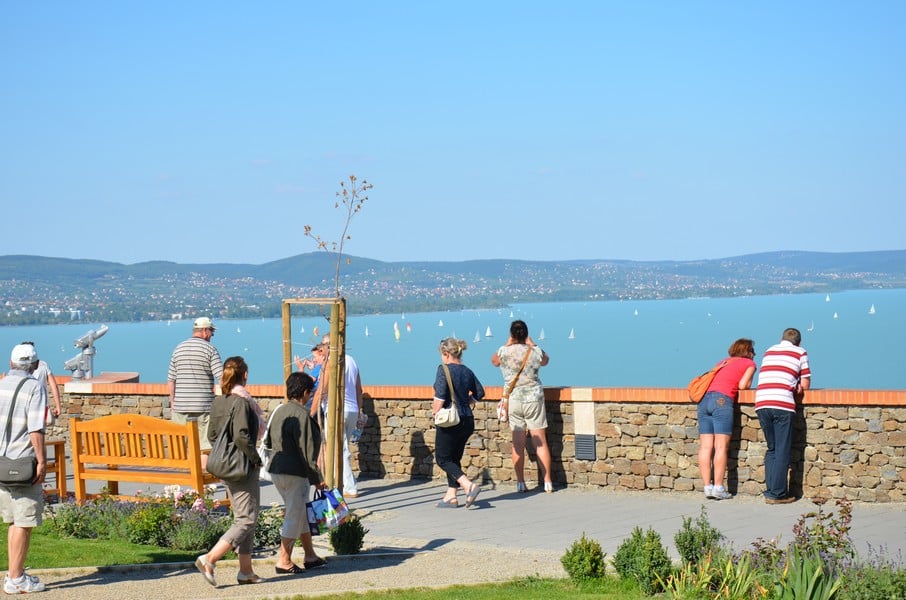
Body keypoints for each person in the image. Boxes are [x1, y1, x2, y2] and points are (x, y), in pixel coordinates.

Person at [195, 356, 263, 587]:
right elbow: (242, 436)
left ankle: (246, 571)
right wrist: (255, 459)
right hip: (241, 466)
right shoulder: (242, 402)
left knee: (244, 518)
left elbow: (214, 435)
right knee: (246, 519)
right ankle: (210, 559)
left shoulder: (219, 401)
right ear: (244, 375)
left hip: (225, 465)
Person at [267, 372, 327, 575]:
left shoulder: (279, 410)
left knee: (299, 512)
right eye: (310, 392)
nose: (311, 396)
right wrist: (318, 479)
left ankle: (310, 555)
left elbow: (268, 441)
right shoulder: (302, 416)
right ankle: (283, 559)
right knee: (294, 515)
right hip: (295, 472)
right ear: (304, 392)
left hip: (277, 470)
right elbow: (307, 453)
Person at [0, 344, 48, 594]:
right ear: (35, 365)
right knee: (24, 520)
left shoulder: (1, 384)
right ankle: (16, 579)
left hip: (1, 461)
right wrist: (42, 460)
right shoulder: (34, 387)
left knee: (13, 520)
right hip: (23, 463)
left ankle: (13, 573)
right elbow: (35, 428)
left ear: (10, 363)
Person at [491, 320, 554, 493]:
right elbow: (546, 360)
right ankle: (547, 481)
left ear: (512, 334)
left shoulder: (504, 351)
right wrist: (532, 343)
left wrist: (508, 342)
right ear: (526, 334)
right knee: (540, 441)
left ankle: (520, 482)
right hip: (534, 399)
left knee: (517, 444)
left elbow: (494, 361)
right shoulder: (534, 351)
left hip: (514, 400)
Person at [754, 328, 811, 505]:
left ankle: (770, 490)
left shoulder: (769, 350)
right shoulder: (800, 352)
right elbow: (806, 384)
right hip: (782, 404)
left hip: (762, 403)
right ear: (799, 342)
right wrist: (798, 386)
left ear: (781, 339)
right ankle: (778, 494)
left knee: (772, 449)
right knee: (782, 449)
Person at [697, 338, 757, 500]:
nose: (754, 355)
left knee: (705, 447)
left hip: (704, 400)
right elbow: (744, 385)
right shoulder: (749, 364)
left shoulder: (722, 362)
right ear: (748, 352)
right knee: (721, 447)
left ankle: (707, 487)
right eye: (753, 352)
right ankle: (718, 488)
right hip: (722, 401)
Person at [433, 337, 485, 509]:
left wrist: (435, 412)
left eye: (442, 354)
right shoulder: (467, 371)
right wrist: (466, 402)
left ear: (446, 354)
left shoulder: (443, 370)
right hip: (467, 420)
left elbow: (440, 396)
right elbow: (480, 393)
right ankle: (451, 496)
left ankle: (468, 485)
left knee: (442, 458)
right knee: (454, 458)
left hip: (451, 420)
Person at [310, 334, 364, 498]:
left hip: (337, 409)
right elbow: (358, 389)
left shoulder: (330, 362)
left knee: (339, 448)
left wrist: (310, 413)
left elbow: (322, 389)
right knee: (343, 447)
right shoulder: (351, 360)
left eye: (324, 345)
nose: (322, 349)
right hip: (352, 409)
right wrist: (360, 410)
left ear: (330, 345)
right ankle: (338, 481)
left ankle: (349, 486)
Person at [168, 317, 223, 468]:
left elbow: (171, 380)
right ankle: (202, 479)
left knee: (180, 445)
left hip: (180, 407)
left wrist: (173, 402)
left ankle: (185, 477)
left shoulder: (178, 348)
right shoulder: (210, 350)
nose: (212, 335)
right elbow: (222, 378)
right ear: (204, 331)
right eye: (211, 331)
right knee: (205, 446)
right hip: (203, 407)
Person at [20, 341, 61, 425]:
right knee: (39, 433)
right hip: (42, 406)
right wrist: (58, 406)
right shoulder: (44, 365)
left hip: (24, 407)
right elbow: (54, 386)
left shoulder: (19, 368)